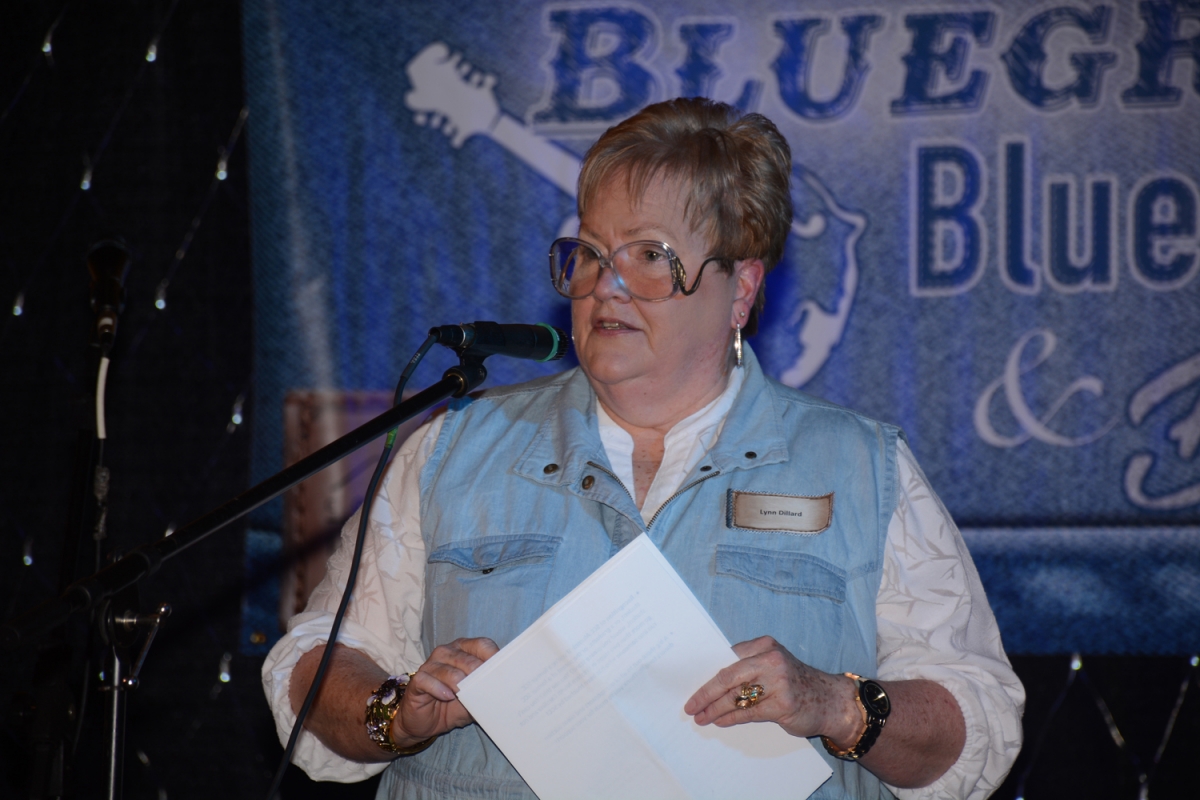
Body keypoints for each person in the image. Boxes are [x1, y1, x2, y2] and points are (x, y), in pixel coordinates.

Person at [262, 97, 1024, 799]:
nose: (605, 286)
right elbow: (310, 669)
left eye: (651, 256)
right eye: (590, 253)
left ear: (742, 289)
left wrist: (840, 705)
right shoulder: (452, 450)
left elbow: (979, 725)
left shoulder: (862, 467)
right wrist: (394, 711)